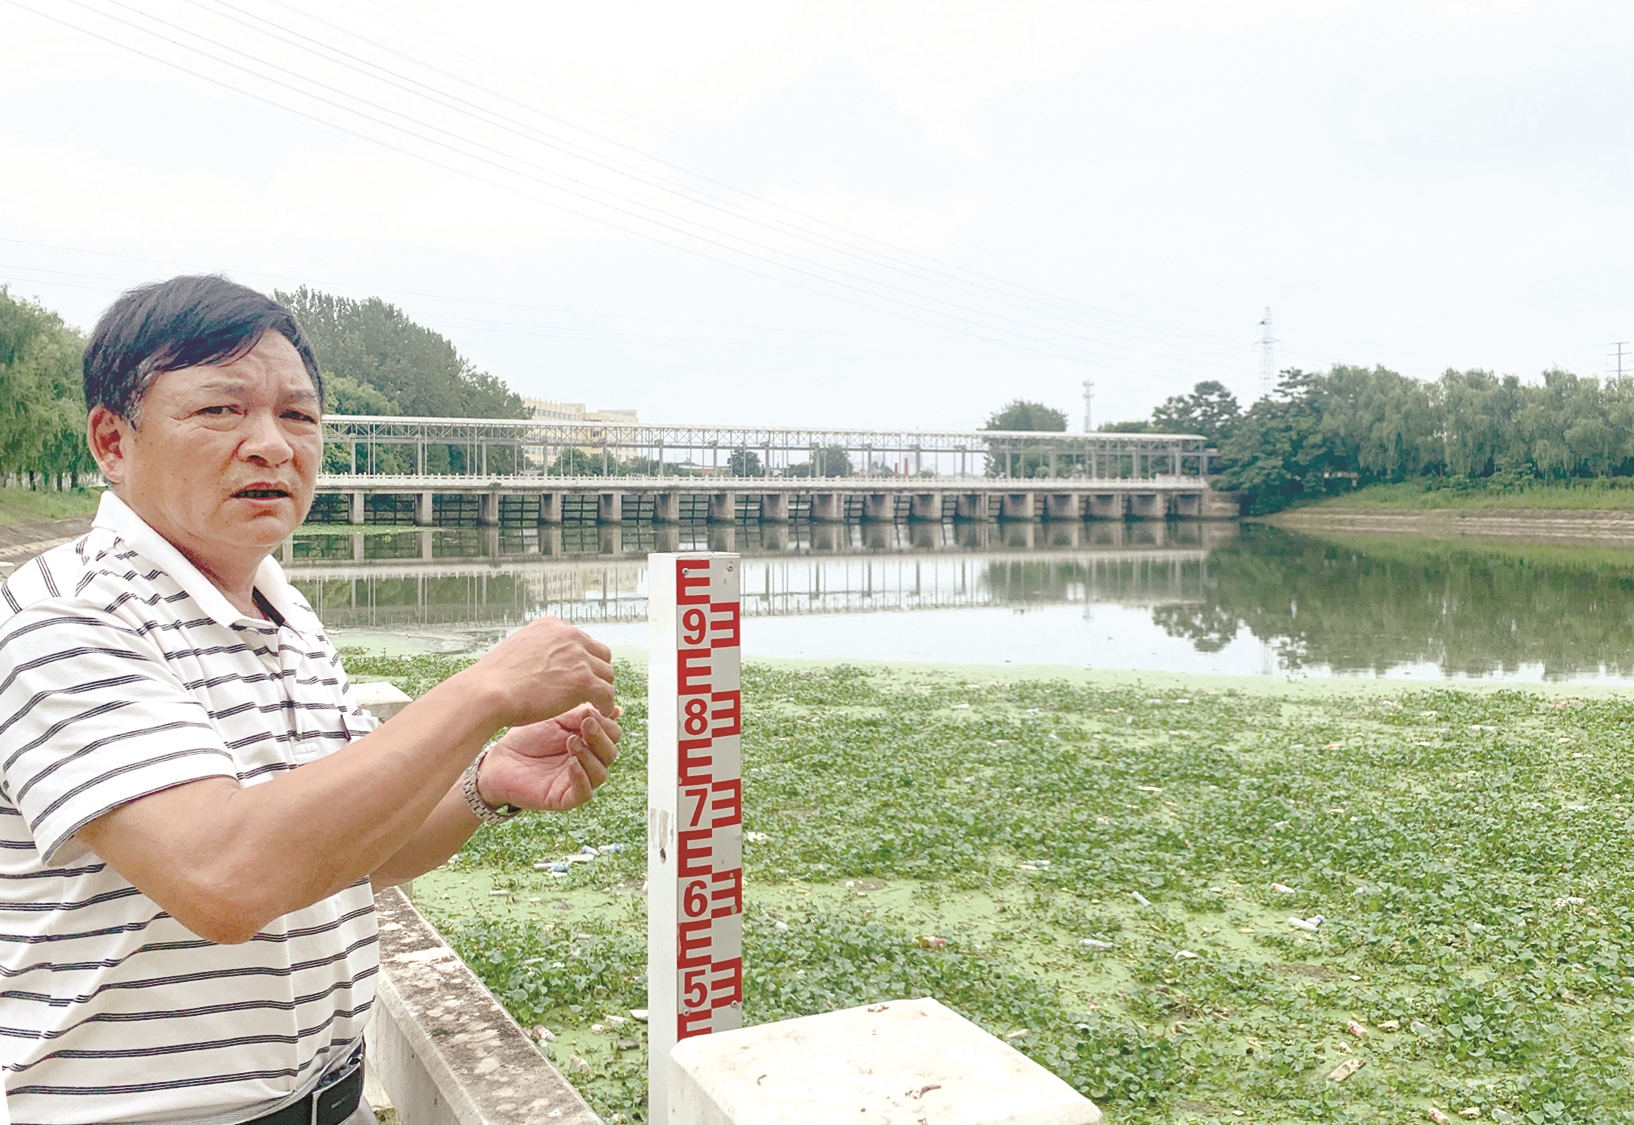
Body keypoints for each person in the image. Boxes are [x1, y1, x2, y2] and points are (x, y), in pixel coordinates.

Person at [0, 276, 621, 1125]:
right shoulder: (68, 616)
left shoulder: (280, 609)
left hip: (328, 1099)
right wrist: (484, 690)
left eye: (298, 416)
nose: (271, 445)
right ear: (112, 440)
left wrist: (487, 779)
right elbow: (225, 877)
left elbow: (352, 852)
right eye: (222, 411)